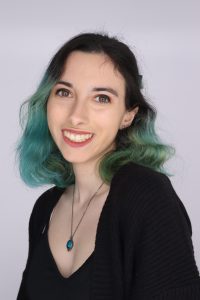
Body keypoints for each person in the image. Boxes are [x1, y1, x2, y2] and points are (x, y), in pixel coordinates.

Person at [15, 32, 200, 299]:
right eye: (64, 92)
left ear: (128, 114)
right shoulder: (45, 209)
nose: (77, 116)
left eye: (101, 98)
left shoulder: (147, 196)